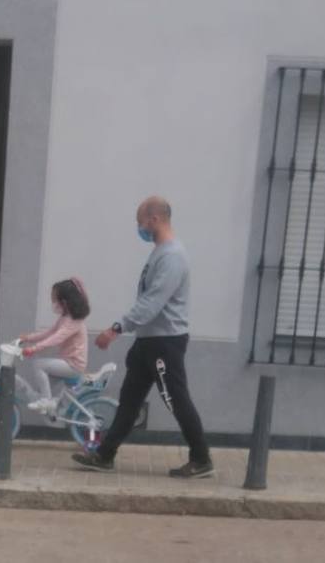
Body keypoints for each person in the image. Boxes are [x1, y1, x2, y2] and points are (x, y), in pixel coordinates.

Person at [71, 196, 213, 478]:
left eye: (140, 222)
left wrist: (117, 328)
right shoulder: (161, 252)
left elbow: (152, 302)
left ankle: (201, 458)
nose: (139, 228)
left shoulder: (172, 256)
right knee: (129, 401)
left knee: (176, 400)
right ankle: (104, 455)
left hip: (165, 342)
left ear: (154, 219)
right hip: (149, 341)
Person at [17, 278, 90, 414]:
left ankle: (47, 402)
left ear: (65, 301)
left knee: (38, 364)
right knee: (40, 389)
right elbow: (49, 332)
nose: (53, 303)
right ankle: (48, 403)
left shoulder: (74, 322)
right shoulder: (66, 318)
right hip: (68, 363)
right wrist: (28, 338)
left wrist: (34, 348)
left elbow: (56, 338)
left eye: (55, 299)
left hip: (73, 366)